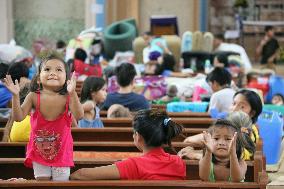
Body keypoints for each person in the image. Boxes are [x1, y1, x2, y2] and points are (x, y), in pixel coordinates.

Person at [3, 52, 84, 181]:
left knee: (61, 184)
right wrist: (15, 96)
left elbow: (80, 115)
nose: (52, 72)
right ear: (39, 78)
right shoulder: (33, 96)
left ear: (66, 79)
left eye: (58, 69)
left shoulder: (68, 97)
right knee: (42, 183)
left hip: (62, 152)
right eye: (47, 69)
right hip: (39, 152)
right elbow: (18, 118)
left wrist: (73, 93)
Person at [70, 109, 186, 180]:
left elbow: (81, 175)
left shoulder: (133, 165)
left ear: (138, 136)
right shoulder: (178, 162)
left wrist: (69, 176)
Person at [179, 89, 263, 160]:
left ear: (252, 113)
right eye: (234, 103)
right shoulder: (230, 128)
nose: (234, 109)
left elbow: (236, 155)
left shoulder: (248, 131)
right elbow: (189, 140)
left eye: (242, 107)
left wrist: (196, 154)